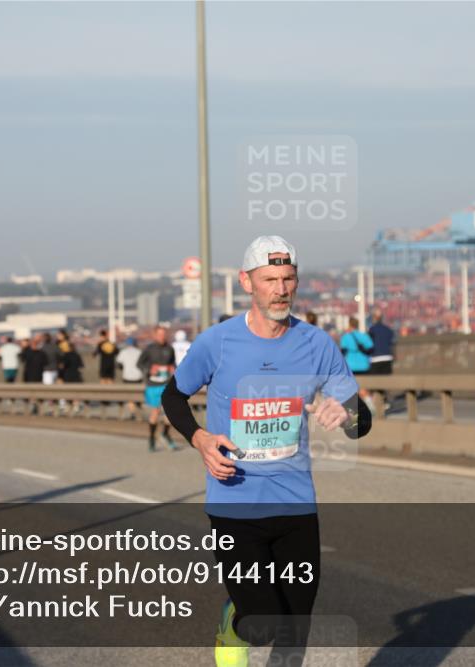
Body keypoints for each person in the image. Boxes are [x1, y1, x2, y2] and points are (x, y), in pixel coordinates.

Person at [161, 236, 372, 667]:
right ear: (247, 283)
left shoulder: (316, 344)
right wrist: (200, 439)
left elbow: (361, 421)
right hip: (235, 501)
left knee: (295, 629)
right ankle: (232, 622)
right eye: (270, 279)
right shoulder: (217, 342)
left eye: (288, 278)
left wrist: (345, 414)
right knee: (262, 623)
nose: (281, 289)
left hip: (296, 503)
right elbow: (172, 397)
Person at [137, 326, 178, 451]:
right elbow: (139, 363)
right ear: (155, 336)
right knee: (155, 412)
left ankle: (165, 434)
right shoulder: (149, 349)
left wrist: (172, 368)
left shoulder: (170, 348)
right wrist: (150, 369)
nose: (162, 337)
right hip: (153, 385)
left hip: (167, 384)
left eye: (164, 334)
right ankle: (151, 439)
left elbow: (173, 363)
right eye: (159, 334)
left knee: (170, 412)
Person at [340, 317, 375, 411]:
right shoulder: (363, 336)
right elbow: (371, 349)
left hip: (351, 367)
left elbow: (343, 352)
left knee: (352, 390)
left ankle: (355, 410)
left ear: (350, 325)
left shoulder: (346, 337)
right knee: (364, 388)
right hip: (364, 366)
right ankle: (370, 407)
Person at [116, 337, 143, 420]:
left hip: (127, 377)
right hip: (138, 377)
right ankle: (139, 412)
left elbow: (118, 364)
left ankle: (133, 412)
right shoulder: (139, 352)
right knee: (138, 395)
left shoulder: (123, 352)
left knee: (130, 396)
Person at [367, 308, 395, 375]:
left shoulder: (372, 330)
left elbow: (369, 344)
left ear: (374, 318)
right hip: (387, 357)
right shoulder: (388, 330)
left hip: (376, 358)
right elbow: (391, 343)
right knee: (387, 382)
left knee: (375, 383)